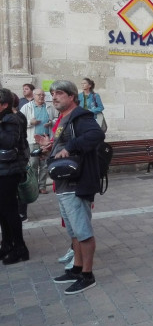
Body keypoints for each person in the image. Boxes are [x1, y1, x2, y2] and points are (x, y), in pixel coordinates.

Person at [36, 80, 105, 295]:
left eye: (58, 93)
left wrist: (70, 147)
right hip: (64, 183)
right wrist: (49, 148)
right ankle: (76, 268)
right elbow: (63, 147)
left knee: (83, 231)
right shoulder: (63, 119)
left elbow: (96, 135)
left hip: (77, 182)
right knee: (74, 232)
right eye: (52, 93)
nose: (54, 97)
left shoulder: (81, 116)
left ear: (72, 96)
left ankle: (87, 275)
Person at [0, 88, 30, 265]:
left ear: (4, 104)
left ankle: (20, 248)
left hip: (9, 172)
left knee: (10, 211)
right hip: (3, 170)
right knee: (2, 211)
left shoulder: (12, 119)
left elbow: (9, 142)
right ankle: (7, 244)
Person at [20, 88, 59, 194]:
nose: (41, 97)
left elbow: (57, 118)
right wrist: (30, 122)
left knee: (45, 165)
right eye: (39, 95)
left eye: (43, 95)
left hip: (46, 141)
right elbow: (20, 122)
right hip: (33, 140)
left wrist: (51, 122)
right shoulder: (26, 107)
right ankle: (34, 187)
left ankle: (42, 186)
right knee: (33, 164)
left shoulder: (50, 107)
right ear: (33, 95)